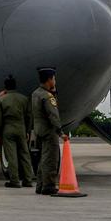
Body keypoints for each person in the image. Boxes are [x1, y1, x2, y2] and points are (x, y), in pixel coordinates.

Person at [0, 75, 35, 189]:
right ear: (15, 86)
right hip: (21, 128)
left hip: (8, 129)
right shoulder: (24, 99)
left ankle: (14, 180)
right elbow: (29, 116)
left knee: (12, 156)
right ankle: (28, 180)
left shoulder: (1, 100)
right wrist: (27, 131)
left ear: (5, 87)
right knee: (25, 155)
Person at [31, 67, 64, 195]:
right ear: (49, 80)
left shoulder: (35, 93)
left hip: (38, 130)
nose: (55, 81)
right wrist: (60, 132)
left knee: (42, 159)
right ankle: (49, 185)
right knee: (50, 159)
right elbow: (53, 115)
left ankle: (40, 185)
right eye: (54, 78)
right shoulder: (47, 96)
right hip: (48, 131)